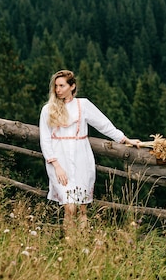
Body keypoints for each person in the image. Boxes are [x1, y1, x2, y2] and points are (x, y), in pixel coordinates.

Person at [39, 69, 140, 231]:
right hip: (59, 160)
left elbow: (104, 124)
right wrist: (56, 165)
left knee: (82, 208)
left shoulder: (83, 105)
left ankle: (82, 243)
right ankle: (70, 243)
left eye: (62, 86)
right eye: (56, 86)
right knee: (69, 207)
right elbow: (45, 139)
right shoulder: (48, 110)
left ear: (72, 86)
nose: (58, 90)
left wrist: (124, 139)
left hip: (81, 158)